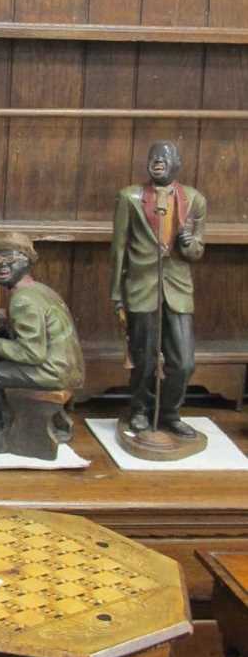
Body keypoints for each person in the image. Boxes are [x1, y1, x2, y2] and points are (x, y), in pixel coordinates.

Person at [0, 233, 85, 456]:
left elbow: (31, 354)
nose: (3, 266)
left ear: (27, 262)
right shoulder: (40, 289)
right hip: (69, 368)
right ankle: (14, 421)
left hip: (54, 372)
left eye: (11, 260)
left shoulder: (23, 299)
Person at [110, 140, 206, 438]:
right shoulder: (129, 197)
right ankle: (140, 410)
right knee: (144, 358)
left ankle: (169, 413)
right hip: (141, 287)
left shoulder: (194, 200)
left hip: (177, 288)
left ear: (177, 163)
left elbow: (197, 251)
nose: (159, 162)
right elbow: (119, 248)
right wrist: (116, 292)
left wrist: (189, 244)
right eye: (154, 157)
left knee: (183, 362)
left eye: (166, 158)